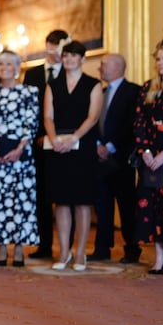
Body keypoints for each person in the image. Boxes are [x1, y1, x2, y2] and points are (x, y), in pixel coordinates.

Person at [0, 50, 40, 266]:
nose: (4, 67)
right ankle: (1, 248)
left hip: (21, 157)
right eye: (0, 64)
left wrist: (19, 149)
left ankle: (19, 248)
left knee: (20, 201)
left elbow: (31, 123)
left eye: (8, 64)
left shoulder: (29, 92)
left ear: (17, 67)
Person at [44, 40, 103, 271]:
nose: (69, 59)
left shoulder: (93, 84)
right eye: (66, 55)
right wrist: (55, 139)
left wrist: (73, 138)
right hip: (58, 148)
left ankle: (80, 253)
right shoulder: (53, 85)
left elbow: (93, 117)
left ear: (82, 59)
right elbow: (48, 116)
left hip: (82, 147)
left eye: (73, 56)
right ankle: (64, 252)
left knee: (81, 201)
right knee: (61, 202)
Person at [134, 40, 163, 275]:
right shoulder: (147, 88)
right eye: (157, 59)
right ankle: (160, 256)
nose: (159, 63)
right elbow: (139, 123)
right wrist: (147, 152)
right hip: (150, 160)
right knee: (151, 207)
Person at [90, 53, 141, 263]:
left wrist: (110, 146)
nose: (99, 68)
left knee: (127, 205)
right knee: (102, 206)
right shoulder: (99, 92)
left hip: (122, 159)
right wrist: (97, 146)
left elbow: (132, 124)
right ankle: (102, 248)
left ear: (118, 67)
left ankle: (132, 248)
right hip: (100, 160)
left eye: (103, 65)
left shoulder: (134, 91)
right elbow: (93, 121)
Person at [24, 29, 70, 259]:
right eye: (53, 45)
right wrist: (37, 137)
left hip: (63, 143)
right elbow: (29, 110)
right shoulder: (32, 75)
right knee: (40, 197)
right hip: (37, 145)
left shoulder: (71, 74)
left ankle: (66, 247)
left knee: (64, 196)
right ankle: (43, 245)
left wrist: (57, 137)